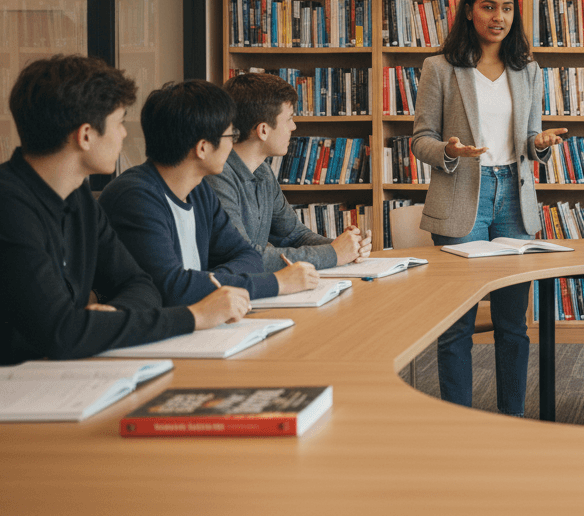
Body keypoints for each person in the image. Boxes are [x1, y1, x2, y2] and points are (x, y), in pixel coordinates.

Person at [0, 56, 249, 366]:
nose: (124, 135)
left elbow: (140, 285)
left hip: (61, 375)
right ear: (86, 135)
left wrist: (112, 317)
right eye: (119, 122)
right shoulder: (9, 207)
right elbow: (62, 333)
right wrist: (195, 316)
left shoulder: (77, 196)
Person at [410, 0, 567, 417]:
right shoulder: (439, 68)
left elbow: (529, 136)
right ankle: (458, 421)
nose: (498, 17)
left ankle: (511, 419)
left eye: (507, 8)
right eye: (488, 6)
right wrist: (449, 151)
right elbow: (420, 138)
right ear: (469, 10)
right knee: (456, 327)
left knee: (513, 326)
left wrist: (538, 144)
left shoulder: (529, 70)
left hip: (514, 202)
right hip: (463, 198)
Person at [100, 80, 319, 306]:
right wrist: (277, 283)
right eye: (229, 135)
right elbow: (172, 289)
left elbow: (248, 256)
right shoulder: (135, 197)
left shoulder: (199, 191)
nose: (234, 143)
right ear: (202, 148)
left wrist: (205, 282)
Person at [206, 71, 372, 271]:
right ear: (263, 130)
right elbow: (244, 257)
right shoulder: (217, 177)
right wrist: (334, 254)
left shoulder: (263, 172)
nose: (293, 127)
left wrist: (347, 246)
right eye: (289, 119)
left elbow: (294, 235)